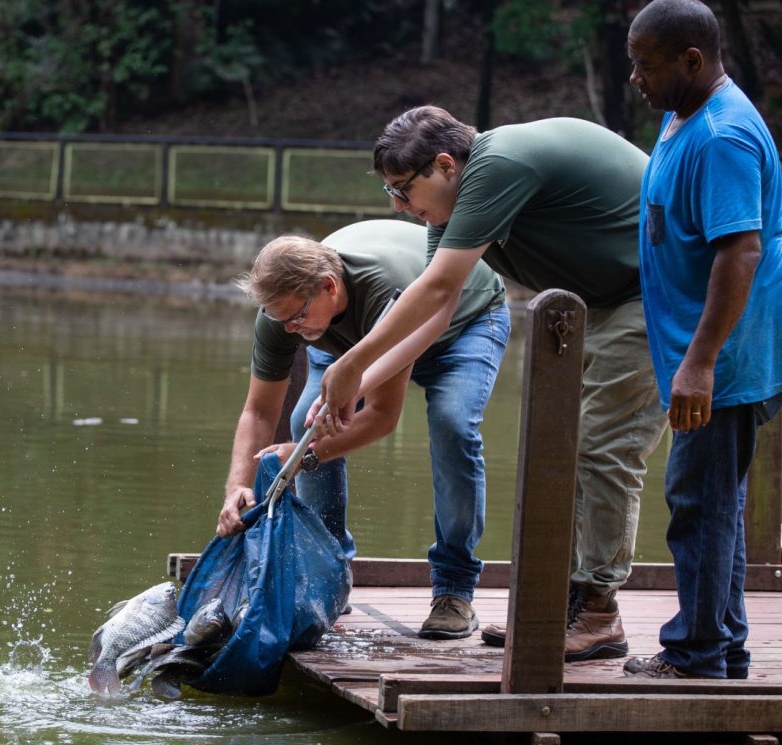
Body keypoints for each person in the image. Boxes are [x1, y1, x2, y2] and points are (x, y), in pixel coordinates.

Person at [315, 108, 669, 662]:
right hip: (603, 301)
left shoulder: (497, 165)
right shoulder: (455, 204)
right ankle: (563, 608)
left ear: (445, 164)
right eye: (391, 192)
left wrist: (350, 366)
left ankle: (598, 612)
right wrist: (357, 381)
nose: (398, 207)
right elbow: (435, 312)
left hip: (655, 287)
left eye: (404, 189)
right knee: (569, 449)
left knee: (604, 449)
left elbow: (437, 289)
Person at [217, 219, 510, 640]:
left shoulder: (380, 293)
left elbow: (382, 416)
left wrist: (305, 456)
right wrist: (236, 487)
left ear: (329, 288)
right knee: (304, 421)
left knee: (452, 426)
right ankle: (329, 573)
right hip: (351, 337)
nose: (288, 330)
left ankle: (454, 589)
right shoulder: (283, 317)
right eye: (280, 320)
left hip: (463, 322)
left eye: (296, 317)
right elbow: (259, 412)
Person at [621, 0, 782, 679]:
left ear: (692, 60)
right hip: (698, 351)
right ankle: (725, 644)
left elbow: (740, 251)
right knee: (714, 502)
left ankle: (696, 654)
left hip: (723, 358)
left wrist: (701, 363)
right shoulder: (680, 113)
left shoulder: (722, 136)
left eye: (647, 65)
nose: (635, 78)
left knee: (699, 505)